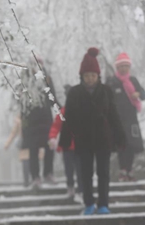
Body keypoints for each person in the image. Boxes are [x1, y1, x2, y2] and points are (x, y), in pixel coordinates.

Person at [59, 47, 126, 215]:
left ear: (98, 76)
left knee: (103, 173)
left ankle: (103, 204)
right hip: (83, 139)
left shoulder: (106, 91)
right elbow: (69, 118)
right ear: (82, 76)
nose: (90, 79)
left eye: (93, 75)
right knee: (85, 173)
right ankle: (88, 203)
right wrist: (65, 140)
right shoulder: (74, 93)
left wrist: (120, 137)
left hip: (103, 138)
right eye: (87, 76)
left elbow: (114, 115)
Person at [106, 53, 145, 181]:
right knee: (121, 145)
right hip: (117, 119)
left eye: (126, 66)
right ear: (117, 68)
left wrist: (137, 93)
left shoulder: (133, 80)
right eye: (121, 66)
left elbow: (143, 94)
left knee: (131, 145)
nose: (123, 68)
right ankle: (123, 170)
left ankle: (130, 170)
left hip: (131, 119)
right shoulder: (112, 81)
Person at [20, 60, 56, 188]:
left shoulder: (47, 80)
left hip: (46, 120)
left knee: (49, 148)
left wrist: (61, 111)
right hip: (32, 123)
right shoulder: (25, 82)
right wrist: (24, 125)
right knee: (33, 150)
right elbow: (22, 105)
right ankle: (35, 177)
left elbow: (53, 98)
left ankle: (48, 173)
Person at [48, 84, 83, 198]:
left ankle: (81, 189)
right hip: (67, 146)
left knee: (80, 169)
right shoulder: (63, 112)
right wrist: (52, 138)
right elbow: (56, 126)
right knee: (69, 169)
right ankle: (71, 187)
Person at [5, 115, 31, 187]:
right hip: (25, 145)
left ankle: (29, 182)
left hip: (30, 144)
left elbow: (13, 133)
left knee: (29, 164)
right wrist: (7, 144)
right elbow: (13, 133)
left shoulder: (20, 121)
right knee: (27, 164)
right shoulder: (19, 121)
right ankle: (28, 182)